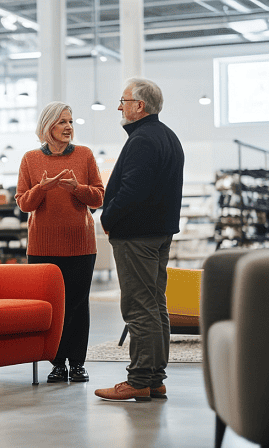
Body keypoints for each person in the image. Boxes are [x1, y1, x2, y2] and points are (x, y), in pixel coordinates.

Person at [94, 78, 184, 402]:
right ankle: (155, 378)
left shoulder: (143, 140)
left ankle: (139, 379)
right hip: (158, 233)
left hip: (137, 236)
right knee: (155, 305)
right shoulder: (168, 137)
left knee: (138, 307)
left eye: (123, 100)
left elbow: (132, 191)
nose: (120, 106)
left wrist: (107, 217)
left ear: (139, 106)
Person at [15, 101, 105, 383]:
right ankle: (57, 364)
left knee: (78, 305)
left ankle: (77, 363)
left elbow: (99, 197)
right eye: (62, 122)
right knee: (52, 307)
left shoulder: (85, 155)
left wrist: (77, 189)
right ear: (48, 127)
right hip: (43, 247)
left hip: (80, 244)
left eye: (71, 122)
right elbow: (24, 204)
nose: (68, 127)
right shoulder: (30, 159)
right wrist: (42, 188)